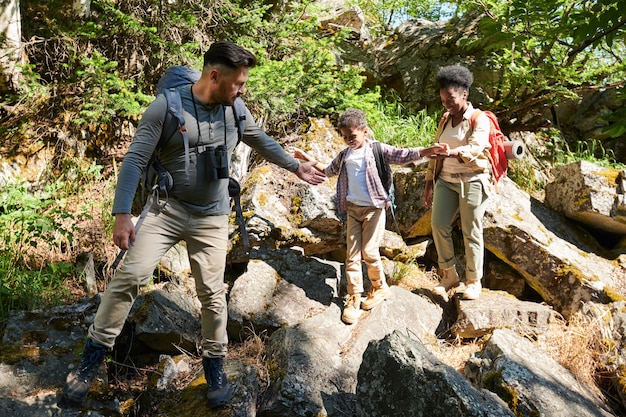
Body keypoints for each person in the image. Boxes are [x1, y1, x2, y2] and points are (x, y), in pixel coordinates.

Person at [62, 41, 325, 408]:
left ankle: (214, 366)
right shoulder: (165, 108)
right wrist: (122, 215)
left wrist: (297, 167)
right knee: (129, 278)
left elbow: (259, 139)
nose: (242, 90)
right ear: (214, 76)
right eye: (238, 83)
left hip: (213, 217)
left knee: (213, 295)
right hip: (166, 210)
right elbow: (134, 161)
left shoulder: (235, 108)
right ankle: (90, 362)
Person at [291, 108, 444, 324]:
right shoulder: (345, 156)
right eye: (345, 137)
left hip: (374, 210)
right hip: (353, 210)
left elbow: (403, 155)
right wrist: (305, 158)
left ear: (364, 131)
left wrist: (427, 150)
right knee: (352, 255)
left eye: (352, 136)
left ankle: (380, 287)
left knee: (369, 251)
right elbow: (327, 170)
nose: (349, 140)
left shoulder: (376, 150)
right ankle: (354, 297)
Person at [423, 65, 493, 301]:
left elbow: (476, 147)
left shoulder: (478, 119)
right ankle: (450, 276)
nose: (447, 104)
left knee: (470, 230)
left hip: (472, 180)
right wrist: (429, 183)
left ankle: (474, 282)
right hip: (445, 180)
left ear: (464, 94)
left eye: (450, 99)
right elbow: (435, 151)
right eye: (443, 100)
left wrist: (451, 153)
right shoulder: (445, 119)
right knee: (438, 225)